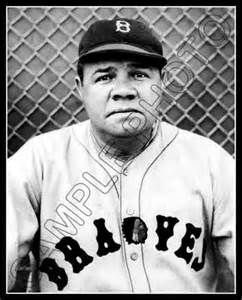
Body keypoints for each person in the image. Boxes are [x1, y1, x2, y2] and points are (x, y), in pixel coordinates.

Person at [7, 18, 235, 293]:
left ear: (161, 83)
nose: (124, 91)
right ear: (80, 88)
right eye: (105, 77)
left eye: (139, 75)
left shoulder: (210, 162)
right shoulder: (38, 161)